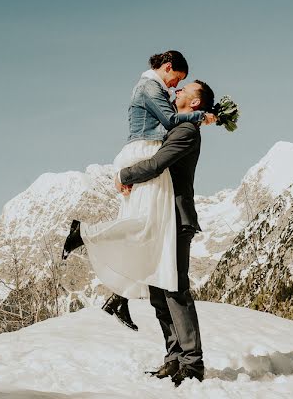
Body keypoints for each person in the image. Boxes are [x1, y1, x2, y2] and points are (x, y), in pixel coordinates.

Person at [61, 51, 214, 330]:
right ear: (168, 67)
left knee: (146, 235)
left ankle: (119, 298)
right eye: (176, 79)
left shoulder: (153, 87)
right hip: (143, 153)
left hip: (141, 155)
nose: (174, 87)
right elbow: (169, 121)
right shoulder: (150, 86)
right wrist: (202, 116)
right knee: (145, 226)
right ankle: (83, 234)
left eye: (180, 84)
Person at [116, 79, 214, 387]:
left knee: (175, 288)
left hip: (176, 217)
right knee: (158, 289)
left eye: (184, 91)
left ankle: (192, 362)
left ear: (195, 104)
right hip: (161, 217)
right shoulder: (175, 127)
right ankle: (174, 358)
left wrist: (125, 174)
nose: (176, 92)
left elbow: (158, 164)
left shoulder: (185, 132)